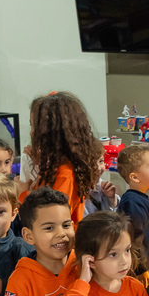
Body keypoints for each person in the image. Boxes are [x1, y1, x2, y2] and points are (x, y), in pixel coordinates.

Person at [26, 91, 98, 225]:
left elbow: (50, 217)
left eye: (33, 126)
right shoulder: (56, 168)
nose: (31, 132)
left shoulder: (65, 175)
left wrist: (22, 193)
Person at [115, 143, 149, 286]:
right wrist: (140, 268)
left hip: (148, 267)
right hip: (140, 271)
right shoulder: (132, 203)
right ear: (135, 178)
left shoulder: (141, 199)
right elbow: (133, 237)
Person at [83, 140, 118, 216]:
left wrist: (112, 199)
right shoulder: (78, 194)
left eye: (101, 161)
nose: (98, 168)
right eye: (91, 163)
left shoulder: (102, 186)